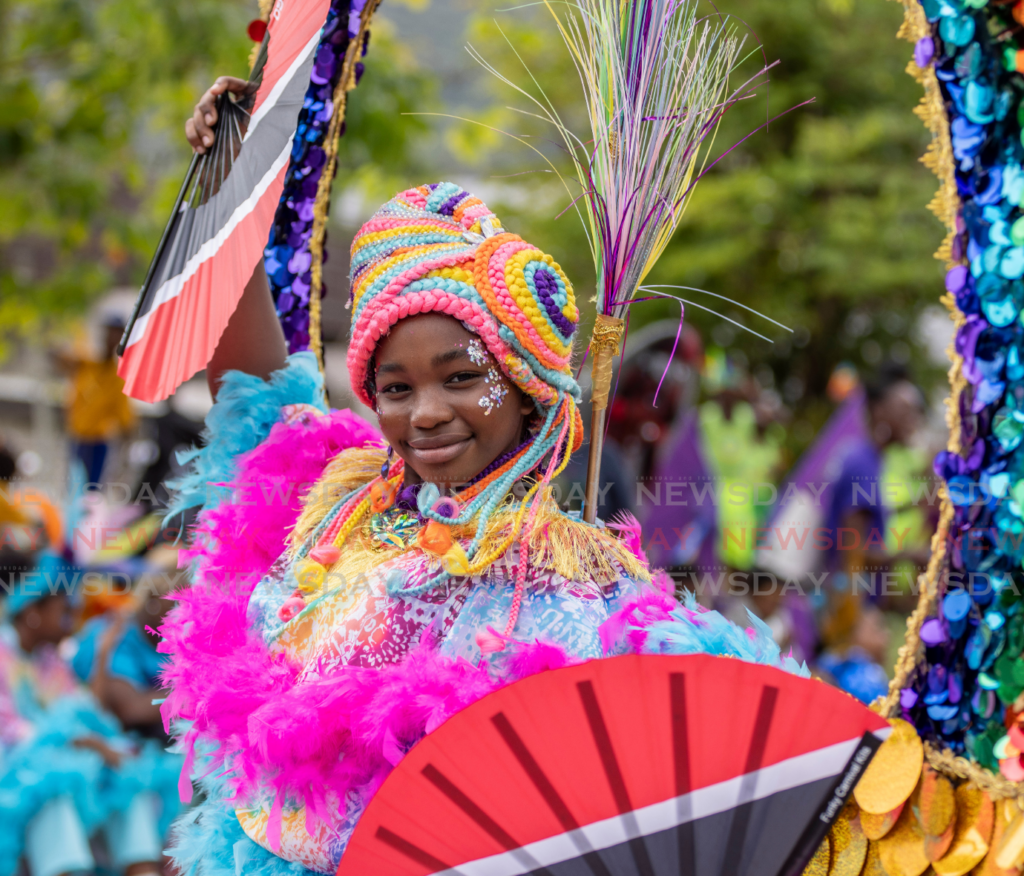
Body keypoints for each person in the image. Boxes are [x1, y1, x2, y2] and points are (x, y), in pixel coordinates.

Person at [162, 82, 807, 875]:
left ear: (524, 378)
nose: (426, 413)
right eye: (396, 389)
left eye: (461, 378)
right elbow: (257, 394)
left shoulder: (583, 586)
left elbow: (716, 740)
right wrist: (228, 183)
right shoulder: (336, 508)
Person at [0, 552, 169, 876]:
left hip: (65, 764)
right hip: (16, 779)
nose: (72, 621)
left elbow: (84, 711)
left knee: (125, 781)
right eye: (65, 612)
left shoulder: (51, 660)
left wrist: (103, 654)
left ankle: (143, 869)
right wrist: (82, 743)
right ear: (33, 611)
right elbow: (13, 734)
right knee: (52, 790)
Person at [55, 314, 137, 486]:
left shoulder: (117, 377)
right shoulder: (86, 364)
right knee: (74, 488)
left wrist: (127, 452)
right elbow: (59, 358)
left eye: (117, 333)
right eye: (109, 332)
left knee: (92, 490)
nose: (111, 337)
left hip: (99, 441)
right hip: (78, 437)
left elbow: (125, 419)